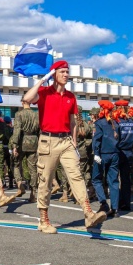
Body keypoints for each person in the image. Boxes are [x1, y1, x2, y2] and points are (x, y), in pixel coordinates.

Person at [23, 60, 106, 234]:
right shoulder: (44, 93)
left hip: (66, 141)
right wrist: (43, 80)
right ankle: (44, 220)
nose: (66, 74)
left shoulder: (70, 96)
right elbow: (27, 99)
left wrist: (74, 142)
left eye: (67, 72)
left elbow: (73, 122)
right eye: (62, 71)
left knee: (76, 175)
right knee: (45, 180)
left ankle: (88, 213)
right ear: (54, 74)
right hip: (48, 141)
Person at [92, 100, 121, 217]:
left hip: (103, 154)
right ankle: (115, 208)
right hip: (115, 154)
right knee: (113, 181)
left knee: (96, 179)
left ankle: (103, 203)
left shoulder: (100, 123)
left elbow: (97, 139)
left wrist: (96, 153)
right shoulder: (116, 123)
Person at [10, 95, 40, 202]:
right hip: (34, 141)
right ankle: (33, 193)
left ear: (22, 102)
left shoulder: (19, 114)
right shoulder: (36, 115)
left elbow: (17, 131)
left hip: (22, 141)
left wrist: (14, 145)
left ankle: (19, 184)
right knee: (33, 168)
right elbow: (39, 130)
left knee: (15, 164)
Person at [114, 100, 133, 211]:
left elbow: (115, 138)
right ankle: (126, 203)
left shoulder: (117, 122)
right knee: (126, 179)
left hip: (119, 151)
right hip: (129, 151)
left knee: (114, 178)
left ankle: (116, 203)